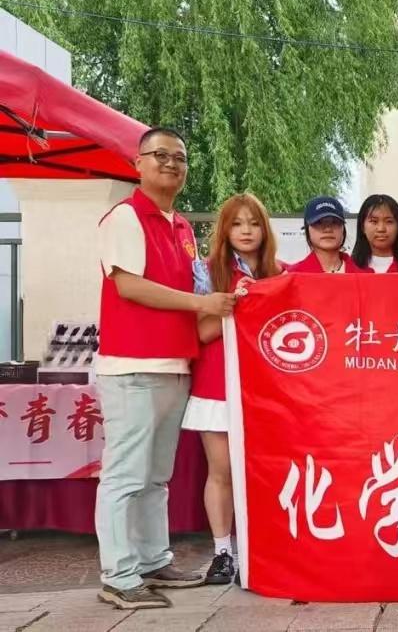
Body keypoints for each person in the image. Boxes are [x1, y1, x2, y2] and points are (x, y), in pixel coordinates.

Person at [96, 127, 236, 610]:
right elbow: (129, 286)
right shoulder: (125, 216)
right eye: (160, 155)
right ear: (138, 163)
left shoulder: (181, 228)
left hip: (176, 364)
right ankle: (118, 574)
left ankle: (154, 560)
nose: (172, 164)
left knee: (156, 476)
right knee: (125, 475)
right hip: (132, 366)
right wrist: (202, 303)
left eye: (180, 158)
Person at [183, 193, 282, 585]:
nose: (246, 231)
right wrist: (233, 306)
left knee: (264, 471)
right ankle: (223, 553)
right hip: (217, 384)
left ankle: (266, 550)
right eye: (237, 223)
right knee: (222, 469)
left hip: (269, 389)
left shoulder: (280, 273)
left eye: (254, 223)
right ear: (224, 230)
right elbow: (201, 332)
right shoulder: (207, 271)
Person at [289, 196, 369, 273]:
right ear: (307, 229)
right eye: (318, 222)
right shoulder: (291, 275)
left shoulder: (367, 276)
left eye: (335, 222)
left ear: (343, 229)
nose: (328, 229)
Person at [351, 194, 398, 273]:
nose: (381, 229)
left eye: (389, 221)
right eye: (374, 221)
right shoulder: (348, 268)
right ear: (362, 227)